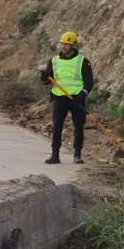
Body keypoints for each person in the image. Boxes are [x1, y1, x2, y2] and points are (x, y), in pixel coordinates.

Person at [40, 31, 94, 165]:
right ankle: (55, 155)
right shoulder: (54, 61)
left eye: (67, 44)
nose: (64, 46)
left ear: (73, 45)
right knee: (57, 126)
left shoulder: (83, 61)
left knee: (78, 127)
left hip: (77, 98)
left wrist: (83, 93)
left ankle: (77, 155)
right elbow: (47, 80)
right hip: (59, 98)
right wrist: (44, 78)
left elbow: (89, 81)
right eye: (63, 43)